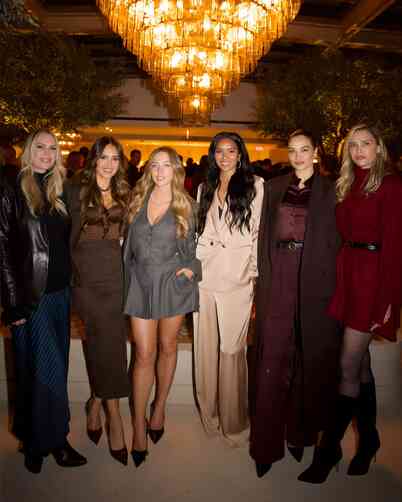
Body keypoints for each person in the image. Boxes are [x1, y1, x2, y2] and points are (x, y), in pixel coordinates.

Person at [299, 124, 402, 483]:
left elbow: (395, 247)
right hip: (348, 274)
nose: (359, 150)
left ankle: (327, 451)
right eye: (353, 145)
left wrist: (387, 301)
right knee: (360, 367)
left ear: (379, 147)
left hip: (373, 279)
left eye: (366, 144)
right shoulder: (346, 183)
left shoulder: (391, 185)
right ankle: (369, 441)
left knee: (347, 365)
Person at [249, 129, 341, 478]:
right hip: (279, 276)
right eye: (292, 150)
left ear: (315, 151)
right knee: (272, 357)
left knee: (306, 357)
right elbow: (262, 238)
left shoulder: (332, 190)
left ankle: (300, 433)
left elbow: (336, 242)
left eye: (304, 149)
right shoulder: (274, 187)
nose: (298, 156)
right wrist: (262, 279)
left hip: (315, 280)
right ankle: (265, 444)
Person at [0, 129, 87, 474]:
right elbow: (2, 249)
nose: (47, 153)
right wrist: (12, 303)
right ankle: (53, 441)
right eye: (40, 147)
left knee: (52, 368)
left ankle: (33, 440)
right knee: (41, 370)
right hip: (30, 298)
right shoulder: (11, 189)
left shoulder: (59, 189)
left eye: (53, 148)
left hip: (59, 294)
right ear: (28, 151)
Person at [123, 146, 201, 467]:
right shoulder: (137, 200)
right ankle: (139, 426)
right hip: (140, 284)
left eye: (166, 165)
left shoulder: (188, 205)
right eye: (154, 165)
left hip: (172, 284)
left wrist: (191, 269)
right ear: (148, 169)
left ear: (176, 170)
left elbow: (196, 248)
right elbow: (126, 245)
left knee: (168, 347)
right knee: (144, 354)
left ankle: (159, 408)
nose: (159, 171)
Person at [193, 131, 264, 447]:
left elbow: (258, 233)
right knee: (205, 349)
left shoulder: (256, 185)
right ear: (212, 155)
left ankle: (234, 424)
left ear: (240, 154)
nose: (224, 156)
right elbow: (201, 231)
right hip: (205, 277)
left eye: (231, 151)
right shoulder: (204, 187)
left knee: (231, 351)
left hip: (237, 278)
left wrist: (253, 274)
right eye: (219, 151)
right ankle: (209, 417)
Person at [66, 136, 130, 465]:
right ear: (93, 159)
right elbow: (63, 235)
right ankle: (113, 416)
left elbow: (130, 235)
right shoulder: (74, 190)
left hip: (117, 277)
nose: (108, 164)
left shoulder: (125, 192)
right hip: (86, 278)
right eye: (103, 157)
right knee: (101, 342)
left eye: (115, 158)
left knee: (111, 343)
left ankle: (96, 402)